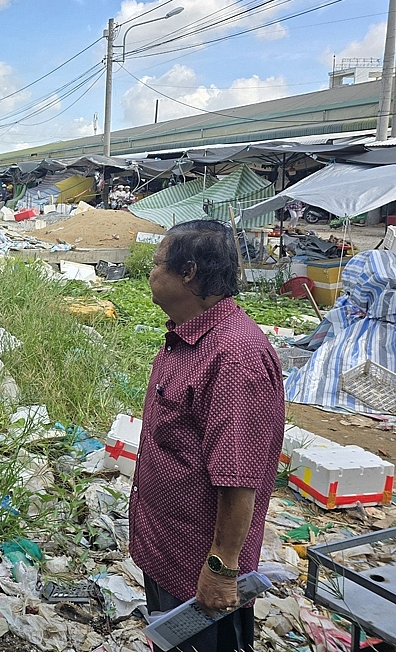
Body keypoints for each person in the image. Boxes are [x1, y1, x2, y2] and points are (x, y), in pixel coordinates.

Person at [130, 220, 285, 652]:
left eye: (157, 263)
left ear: (189, 272)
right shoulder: (188, 337)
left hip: (198, 568)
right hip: (168, 551)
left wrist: (221, 569)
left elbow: (238, 480)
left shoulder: (235, 357)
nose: (151, 272)